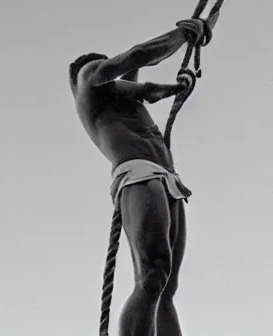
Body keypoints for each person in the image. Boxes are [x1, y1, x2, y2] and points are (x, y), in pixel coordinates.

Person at [68, 18, 206, 336]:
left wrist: (178, 86)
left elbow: (145, 88)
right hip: (138, 174)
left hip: (167, 180)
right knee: (153, 273)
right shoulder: (88, 80)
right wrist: (183, 35)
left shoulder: (119, 97)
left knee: (166, 288)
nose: (110, 72)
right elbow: (138, 56)